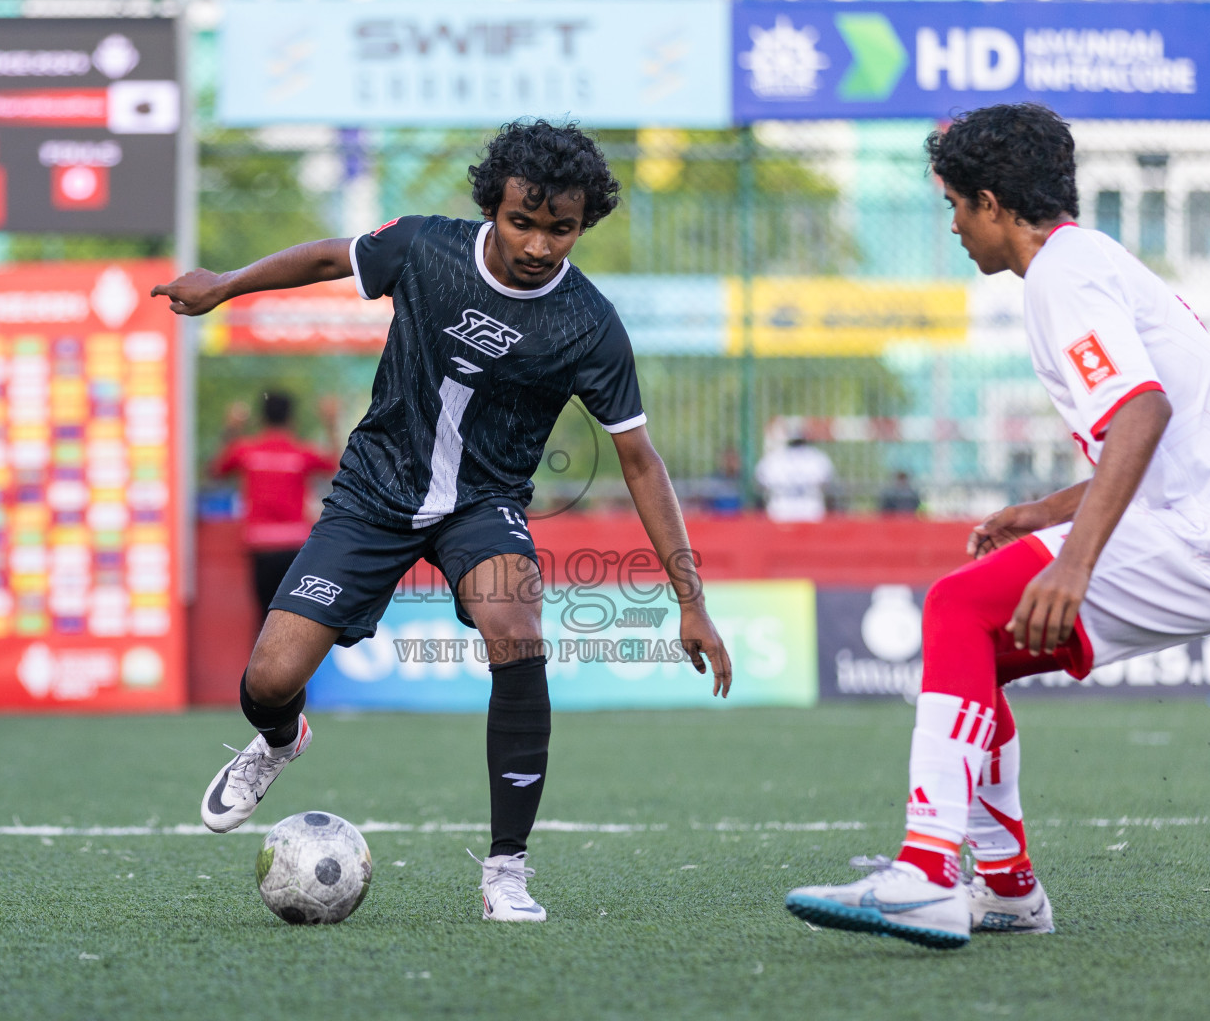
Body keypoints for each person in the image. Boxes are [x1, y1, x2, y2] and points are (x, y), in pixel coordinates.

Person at [152, 120, 731, 922]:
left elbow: (640, 461)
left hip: (483, 507)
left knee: (517, 629)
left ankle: (506, 871)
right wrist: (226, 283)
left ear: (583, 225)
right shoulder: (424, 249)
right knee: (269, 681)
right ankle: (281, 742)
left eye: (560, 228)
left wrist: (689, 599)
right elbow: (328, 255)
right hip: (372, 495)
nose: (537, 243)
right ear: (493, 203)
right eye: (522, 219)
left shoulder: (589, 324)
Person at [784, 103, 1210, 949]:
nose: (952, 228)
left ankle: (927, 873)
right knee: (973, 647)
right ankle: (1007, 890)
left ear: (991, 203)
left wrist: (1072, 563)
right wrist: (1043, 514)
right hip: (1209, 532)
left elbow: (1144, 413)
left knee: (954, 609)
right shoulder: (1087, 261)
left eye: (952, 208)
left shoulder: (1060, 275)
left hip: (1197, 536)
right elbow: (1153, 431)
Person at [211, 390, 341, 616]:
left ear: (262, 419)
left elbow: (217, 469)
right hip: (295, 546)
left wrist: (232, 427)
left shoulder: (246, 450)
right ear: (292, 420)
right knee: (295, 616)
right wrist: (330, 423)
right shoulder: (301, 452)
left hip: (260, 546)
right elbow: (338, 467)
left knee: (265, 616)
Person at [754, 422, 834, 522]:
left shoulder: (773, 458)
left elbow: (761, 484)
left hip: (780, 511)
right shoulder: (818, 457)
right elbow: (826, 484)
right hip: (810, 511)